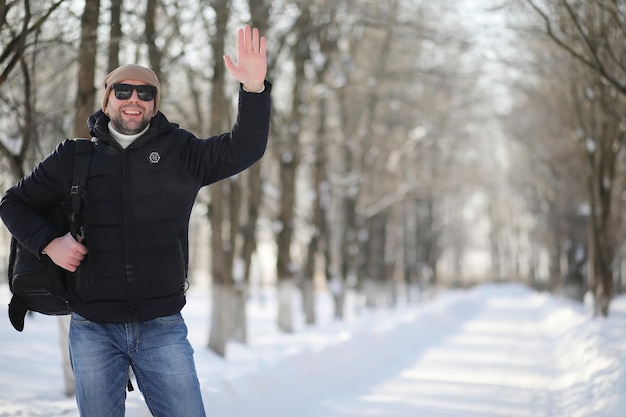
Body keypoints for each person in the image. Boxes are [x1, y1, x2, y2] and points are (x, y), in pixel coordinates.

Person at [0, 24, 270, 416]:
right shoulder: (75, 157)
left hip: (162, 327)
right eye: (122, 91)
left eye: (146, 93)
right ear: (107, 100)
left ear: (155, 104)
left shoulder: (182, 152)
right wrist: (48, 243)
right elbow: (13, 203)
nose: (134, 100)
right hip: (93, 327)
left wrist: (254, 91)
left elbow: (245, 148)